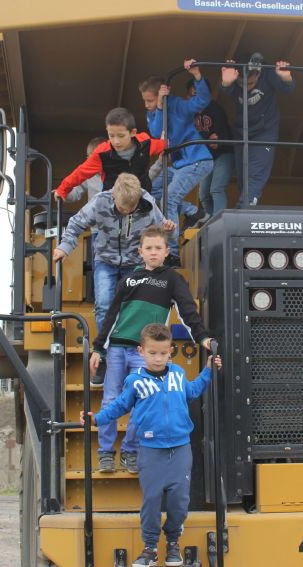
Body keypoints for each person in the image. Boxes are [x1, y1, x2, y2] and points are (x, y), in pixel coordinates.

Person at [83, 323, 222, 567]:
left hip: (180, 449)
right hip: (150, 450)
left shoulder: (178, 373)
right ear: (141, 352)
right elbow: (120, 406)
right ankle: (150, 548)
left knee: (179, 500)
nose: (158, 358)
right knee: (152, 500)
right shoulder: (134, 381)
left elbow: (192, 391)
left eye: (163, 353)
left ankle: (173, 543)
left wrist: (208, 371)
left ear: (171, 352)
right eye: (152, 353)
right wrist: (97, 419)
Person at [89, 225, 212, 475]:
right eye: (149, 248)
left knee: (143, 403)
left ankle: (130, 451)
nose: (153, 252)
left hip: (144, 352)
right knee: (110, 399)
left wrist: (202, 338)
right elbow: (112, 315)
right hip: (117, 348)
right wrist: (98, 348)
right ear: (140, 251)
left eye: (158, 248)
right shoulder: (128, 280)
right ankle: (105, 453)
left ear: (167, 251)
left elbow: (188, 312)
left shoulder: (172, 280)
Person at [52, 174, 176, 386]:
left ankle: (137, 355)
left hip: (134, 262)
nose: (126, 211)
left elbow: (161, 235)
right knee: (103, 305)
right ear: (113, 196)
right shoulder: (100, 202)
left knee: (134, 308)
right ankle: (104, 356)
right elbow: (76, 223)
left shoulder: (148, 204)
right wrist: (65, 247)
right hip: (105, 260)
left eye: (131, 208)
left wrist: (169, 231)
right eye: (122, 207)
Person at [141, 59, 213, 266]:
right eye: (145, 101)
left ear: (163, 94)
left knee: (169, 199)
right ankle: (193, 212)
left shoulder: (178, 105)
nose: (146, 105)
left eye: (150, 100)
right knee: (150, 190)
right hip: (180, 165)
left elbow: (202, 102)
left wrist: (197, 76)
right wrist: (159, 107)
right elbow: (157, 134)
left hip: (197, 160)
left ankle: (171, 252)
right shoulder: (154, 112)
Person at [220, 52, 294, 206]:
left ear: (259, 74)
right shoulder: (234, 74)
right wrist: (226, 82)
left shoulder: (267, 72)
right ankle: (246, 207)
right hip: (242, 131)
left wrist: (286, 77)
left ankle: (244, 207)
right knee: (242, 176)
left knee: (256, 173)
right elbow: (224, 91)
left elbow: (289, 89)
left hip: (265, 130)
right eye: (243, 84)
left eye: (251, 83)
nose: (247, 87)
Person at [52, 107, 166, 199]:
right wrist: (62, 190)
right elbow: (80, 172)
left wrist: (164, 144)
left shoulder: (145, 143)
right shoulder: (102, 153)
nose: (116, 141)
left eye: (121, 136)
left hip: (141, 199)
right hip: (112, 203)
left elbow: (162, 145)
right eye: (111, 135)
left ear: (133, 133)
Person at [186, 77, 234, 223]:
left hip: (223, 154)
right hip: (206, 158)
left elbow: (221, 137)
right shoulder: (190, 114)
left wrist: (213, 140)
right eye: (192, 94)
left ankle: (219, 224)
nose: (195, 98)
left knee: (216, 189)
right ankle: (210, 223)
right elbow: (192, 137)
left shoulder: (215, 109)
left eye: (199, 93)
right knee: (203, 195)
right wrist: (208, 138)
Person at [65, 136, 107, 203]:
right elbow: (75, 193)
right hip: (94, 209)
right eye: (93, 160)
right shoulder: (87, 174)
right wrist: (64, 194)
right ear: (88, 159)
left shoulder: (117, 173)